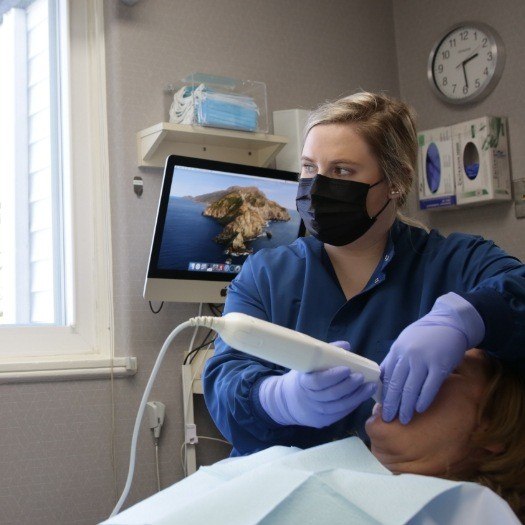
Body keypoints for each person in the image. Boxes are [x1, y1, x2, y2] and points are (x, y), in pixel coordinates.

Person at [202, 91, 525, 457]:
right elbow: (225, 380)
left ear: (396, 181)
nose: (317, 187)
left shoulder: (456, 262)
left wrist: (467, 317)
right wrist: (277, 399)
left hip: (403, 489)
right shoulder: (266, 275)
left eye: (342, 171)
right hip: (286, 488)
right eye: (309, 167)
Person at [104, 349, 525, 525]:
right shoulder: (302, 461)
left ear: (494, 430)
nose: (398, 374)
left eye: (444, 371)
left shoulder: (467, 513)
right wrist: (276, 397)